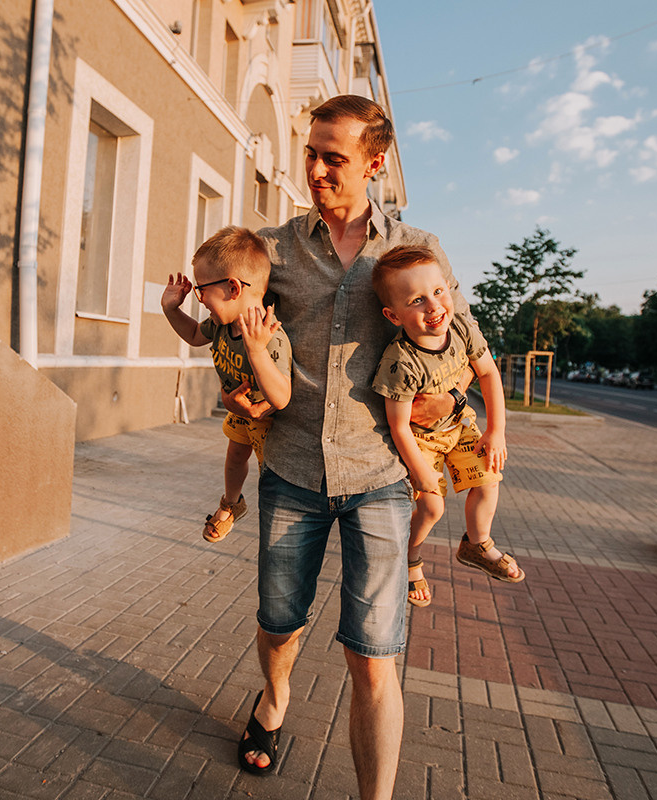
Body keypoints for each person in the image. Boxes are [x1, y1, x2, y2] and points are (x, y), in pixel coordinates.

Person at [228, 94, 476, 800]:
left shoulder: (417, 253)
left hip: (381, 477)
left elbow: (459, 346)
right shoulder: (271, 249)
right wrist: (232, 376)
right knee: (279, 624)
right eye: (310, 152)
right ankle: (273, 702)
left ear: (375, 163)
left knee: (374, 655)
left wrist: (454, 402)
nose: (314, 168)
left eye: (332, 157)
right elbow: (232, 327)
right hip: (293, 467)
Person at [370, 245, 522, 608]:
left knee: (488, 476)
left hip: (459, 424)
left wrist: (496, 431)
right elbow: (399, 425)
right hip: (421, 438)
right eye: (417, 300)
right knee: (432, 508)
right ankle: (411, 558)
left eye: (438, 292)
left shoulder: (461, 328)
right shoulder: (400, 363)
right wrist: (420, 471)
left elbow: (488, 373)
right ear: (393, 315)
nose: (434, 306)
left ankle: (477, 542)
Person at [161, 226, 292, 542]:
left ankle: (284, 529)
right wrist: (170, 309)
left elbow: (282, 396)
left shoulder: (269, 335)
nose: (201, 298)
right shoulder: (221, 325)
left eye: (202, 289)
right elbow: (194, 336)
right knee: (235, 457)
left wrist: (257, 352)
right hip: (241, 414)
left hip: (269, 425)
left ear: (234, 288)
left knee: (271, 478)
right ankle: (231, 504)